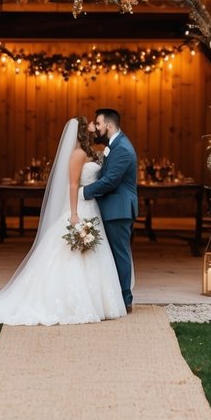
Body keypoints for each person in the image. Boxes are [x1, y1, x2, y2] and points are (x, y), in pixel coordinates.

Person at [0, 117, 126, 325]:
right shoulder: (78, 154)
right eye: (91, 123)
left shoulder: (89, 153)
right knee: (74, 254)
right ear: (83, 130)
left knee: (93, 253)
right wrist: (73, 214)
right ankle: (76, 303)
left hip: (91, 207)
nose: (94, 126)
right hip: (79, 207)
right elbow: (72, 185)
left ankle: (99, 302)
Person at [82, 108, 138, 313]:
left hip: (118, 208)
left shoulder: (122, 147)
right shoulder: (113, 145)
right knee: (113, 255)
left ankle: (125, 300)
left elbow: (110, 181)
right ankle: (117, 298)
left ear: (109, 125)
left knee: (120, 254)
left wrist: (82, 192)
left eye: (98, 124)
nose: (96, 128)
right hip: (113, 207)